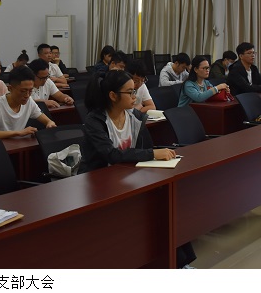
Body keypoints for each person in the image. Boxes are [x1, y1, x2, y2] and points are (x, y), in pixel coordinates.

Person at [79, 70, 195, 267]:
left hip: (125, 177)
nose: (135, 97)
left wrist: (155, 155)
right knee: (151, 211)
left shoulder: (135, 117)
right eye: (130, 92)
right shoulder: (95, 120)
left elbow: (144, 149)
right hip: (98, 184)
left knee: (166, 203)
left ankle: (179, 262)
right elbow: (111, 155)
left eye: (135, 91)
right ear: (113, 95)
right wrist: (152, 154)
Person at [0, 66, 57, 139]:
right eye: (23, 91)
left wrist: (50, 124)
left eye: (30, 91)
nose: (27, 95)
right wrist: (18, 133)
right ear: (10, 88)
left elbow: (49, 121)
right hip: (2, 145)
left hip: (19, 144)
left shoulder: (29, 101)